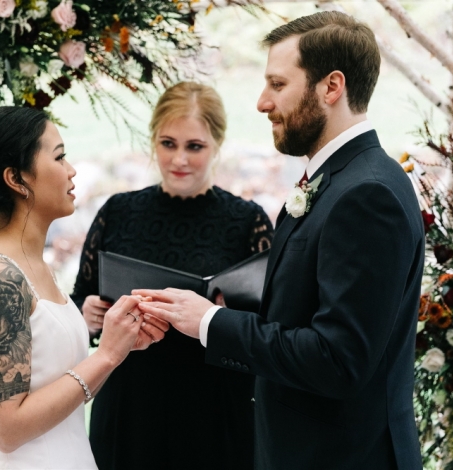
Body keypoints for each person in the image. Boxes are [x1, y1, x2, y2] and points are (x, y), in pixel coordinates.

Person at [135, 12, 424, 470]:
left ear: (331, 88)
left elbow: (338, 359)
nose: (262, 102)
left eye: (277, 84)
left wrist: (211, 322)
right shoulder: (339, 180)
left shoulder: (367, 195)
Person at [0, 106, 168, 469]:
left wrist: (121, 346)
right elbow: (6, 430)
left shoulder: (35, 265)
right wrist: (106, 355)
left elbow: (60, 392)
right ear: (16, 179)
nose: (72, 170)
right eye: (60, 157)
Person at [72, 82, 274, 470]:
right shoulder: (118, 211)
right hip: (130, 404)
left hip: (213, 408)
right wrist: (89, 313)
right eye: (168, 143)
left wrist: (226, 318)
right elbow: (81, 297)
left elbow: (271, 326)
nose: (179, 158)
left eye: (194, 146)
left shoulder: (247, 221)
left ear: (216, 144)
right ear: (153, 142)